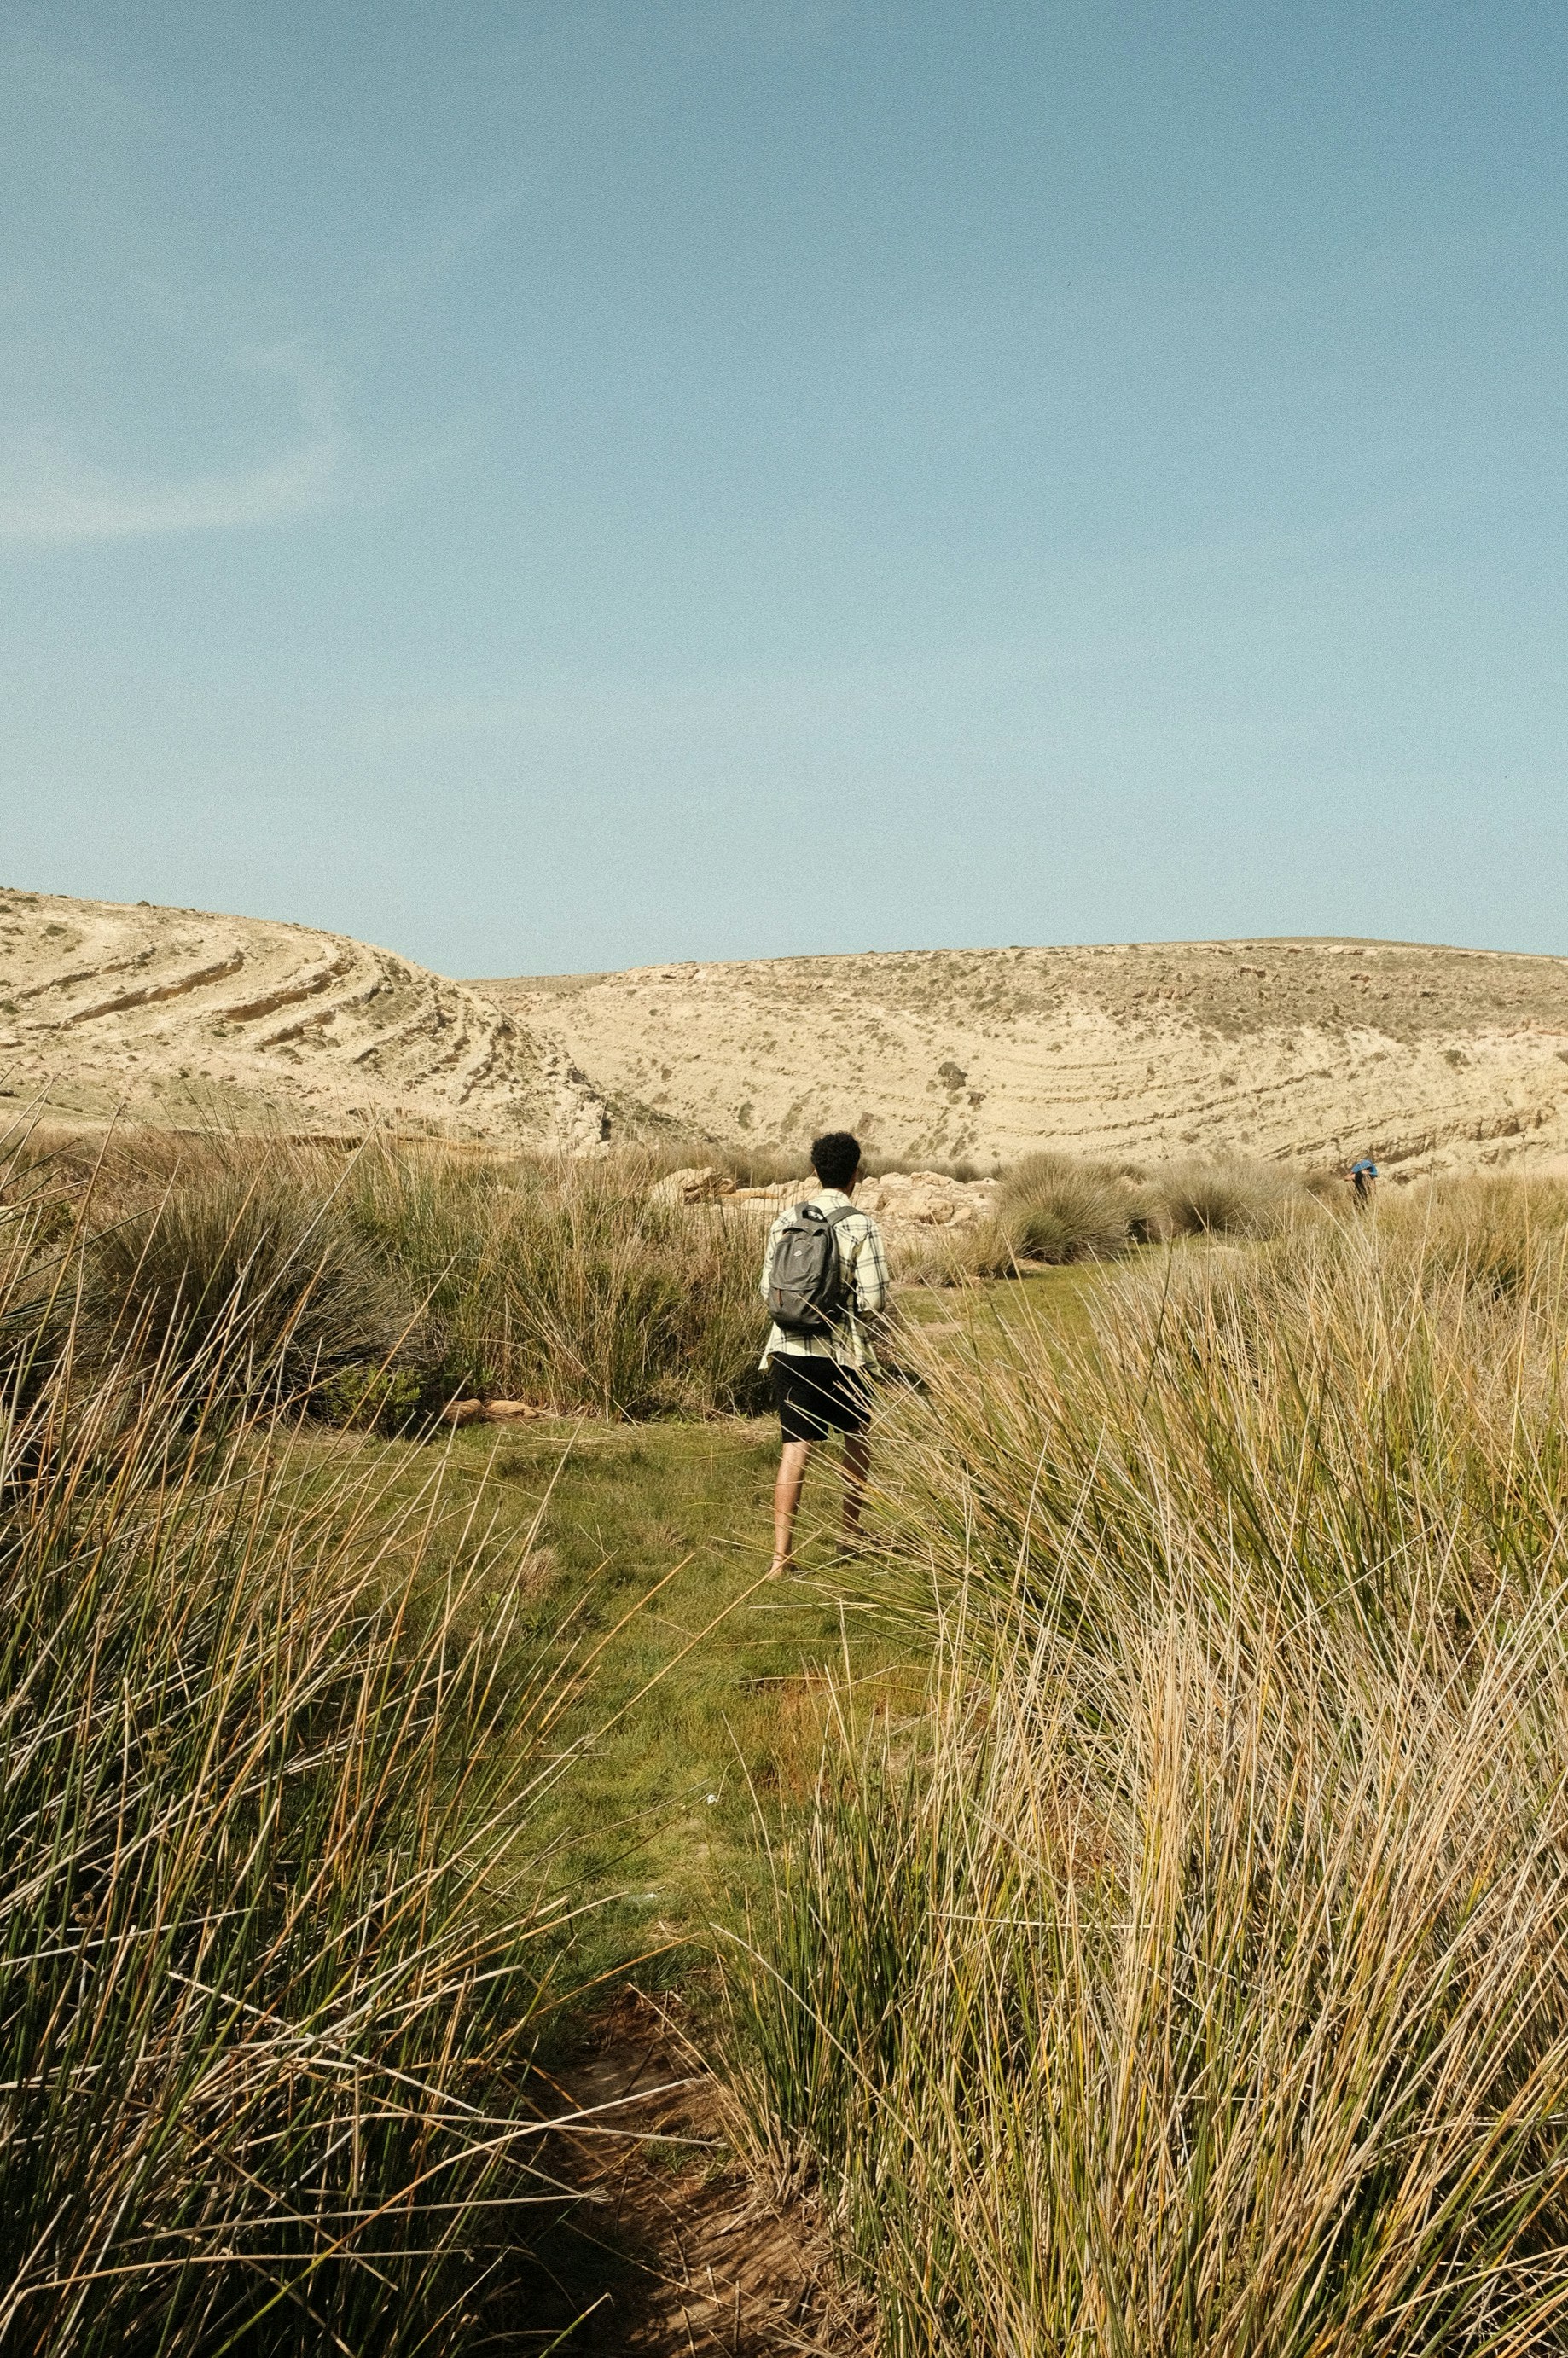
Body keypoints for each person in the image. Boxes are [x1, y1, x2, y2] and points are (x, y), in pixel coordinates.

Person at [760, 1130, 889, 1579]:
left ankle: (781, 1559)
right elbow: (873, 1300)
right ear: (857, 1174)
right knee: (857, 1439)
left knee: (794, 1449)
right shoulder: (861, 1225)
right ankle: (849, 1536)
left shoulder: (785, 1220)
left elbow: (766, 1289)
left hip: (789, 1347)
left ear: (814, 1171)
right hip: (844, 1352)